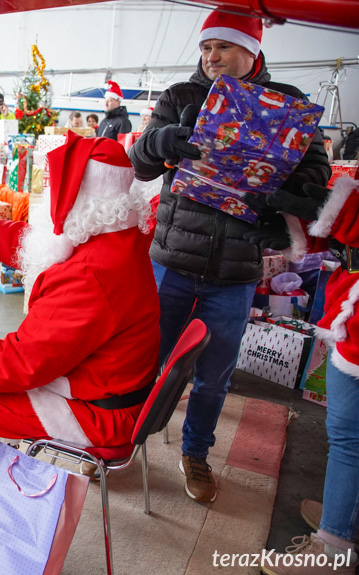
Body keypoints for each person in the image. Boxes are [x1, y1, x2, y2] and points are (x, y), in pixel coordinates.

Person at [0, 132, 160, 553]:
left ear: (79, 195)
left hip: (98, 415)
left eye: (54, 183)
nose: (47, 193)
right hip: (108, 388)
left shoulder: (92, 273)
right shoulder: (115, 234)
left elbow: (26, 360)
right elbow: (37, 244)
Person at [128, 10, 331, 504]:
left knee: (214, 374)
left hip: (237, 269)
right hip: (172, 258)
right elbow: (140, 163)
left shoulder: (288, 104)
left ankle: (196, 453)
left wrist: (284, 203)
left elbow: (316, 173)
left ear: (251, 50)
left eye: (223, 47)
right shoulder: (182, 96)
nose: (212, 57)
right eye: (205, 48)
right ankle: (124, 439)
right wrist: (160, 141)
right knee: (142, 360)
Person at [260, 177, 359, 574]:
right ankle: (343, 513)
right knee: (344, 434)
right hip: (349, 308)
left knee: (349, 435)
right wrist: (303, 220)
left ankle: (335, 546)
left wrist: (338, 208)